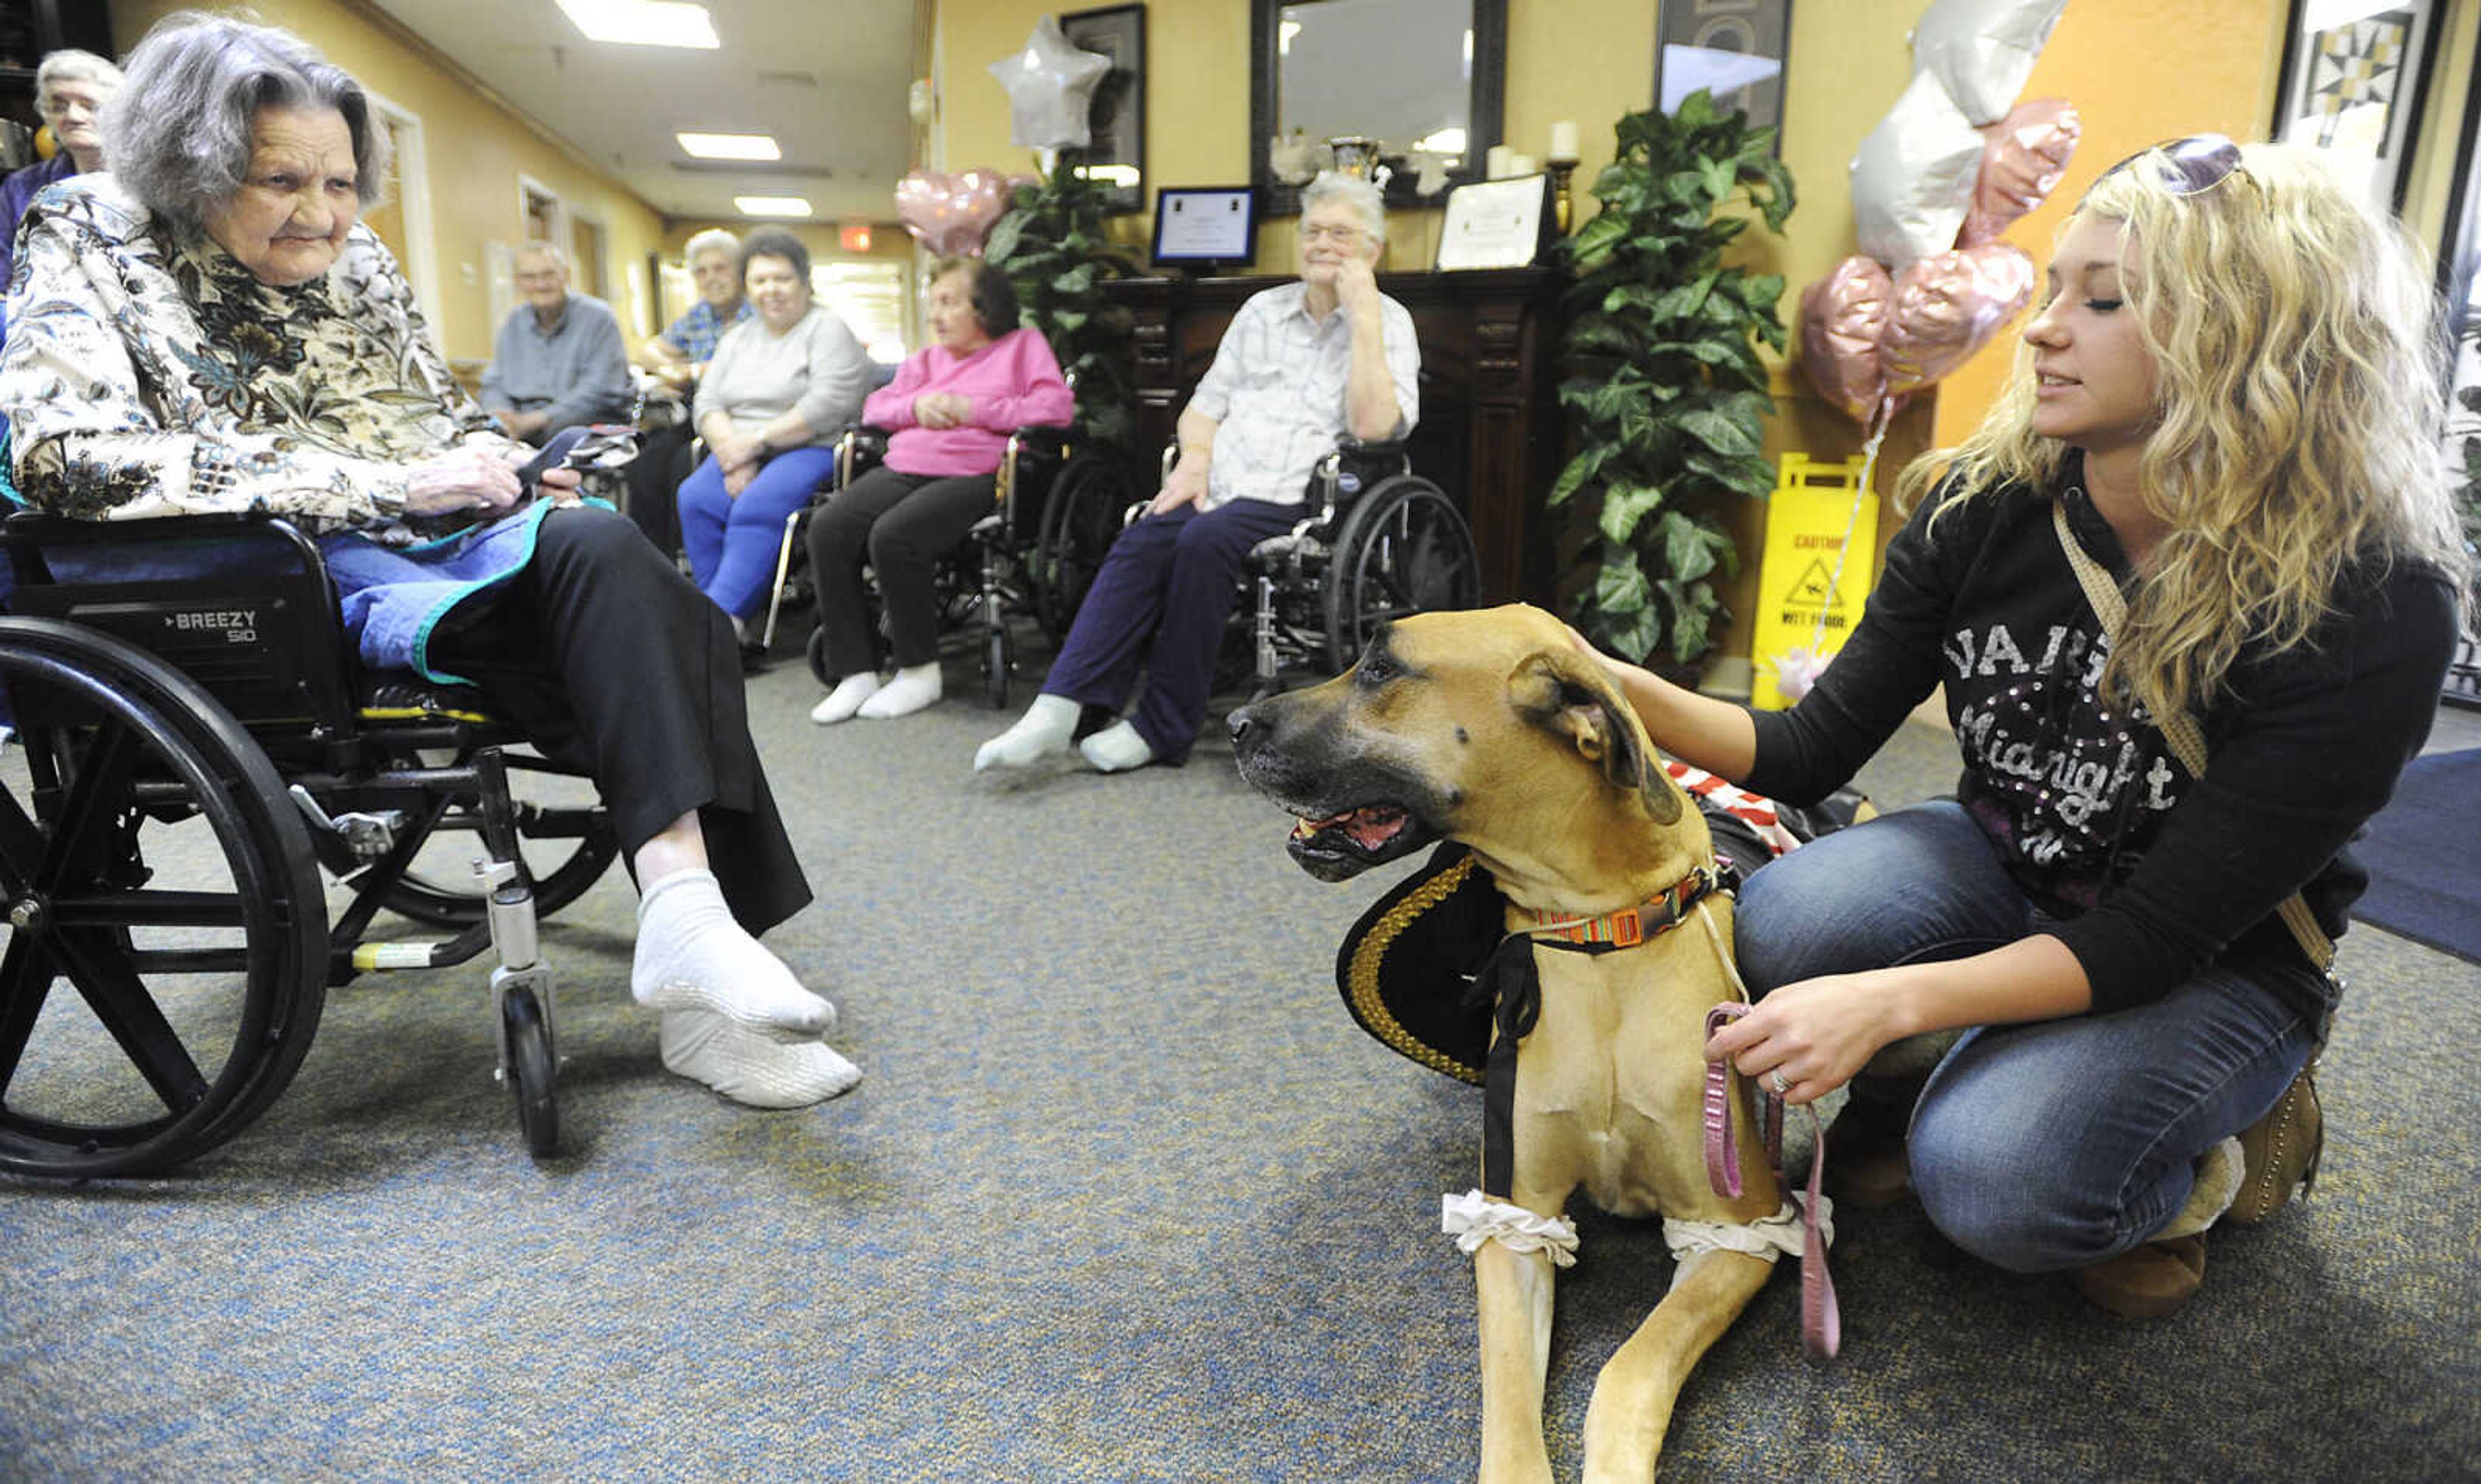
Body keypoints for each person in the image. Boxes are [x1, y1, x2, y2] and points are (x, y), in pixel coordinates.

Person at [1586, 138, 2467, 1318]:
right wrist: (1597, 673)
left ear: (2246, 336)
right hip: (2011, 860)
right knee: (1788, 919)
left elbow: (2155, 935)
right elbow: (1811, 752)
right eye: (2055, 289)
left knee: (2001, 1181)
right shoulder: (1985, 501)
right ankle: (1954, 1069)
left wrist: (1889, 1004)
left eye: (2102, 301)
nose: (2043, 329)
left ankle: (2209, 1159)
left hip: (2215, 958)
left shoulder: (2373, 598)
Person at [1, 13, 861, 1109]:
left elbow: (427, 416)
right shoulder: (86, 230)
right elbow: (65, 454)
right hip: (254, 571)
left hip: (426, 541)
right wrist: (383, 487)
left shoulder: (351, 253)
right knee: (644, 638)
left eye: (342, 182)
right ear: (192, 162)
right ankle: (696, 976)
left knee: (611, 548)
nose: (323, 216)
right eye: (281, 182)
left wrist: (501, 460)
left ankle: (687, 926)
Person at [975, 172, 1418, 773]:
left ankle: (1163, 725)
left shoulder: (1389, 322)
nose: (1322, 243)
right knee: (1144, 533)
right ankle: (1061, 708)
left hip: (1308, 497)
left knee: (1202, 541)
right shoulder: (1261, 311)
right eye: (1312, 230)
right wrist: (1196, 460)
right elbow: (1205, 407)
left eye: (1342, 233)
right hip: (1222, 483)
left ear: (1372, 250)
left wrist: (1363, 316)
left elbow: (1374, 427)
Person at [807, 256, 1072, 723]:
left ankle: (919, 673)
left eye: (949, 302)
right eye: (934, 304)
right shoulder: (927, 360)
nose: (936, 315)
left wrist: (972, 409)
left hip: (978, 473)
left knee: (895, 535)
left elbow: (1055, 408)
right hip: (907, 466)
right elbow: (876, 406)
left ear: (985, 307)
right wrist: (918, 404)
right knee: (828, 527)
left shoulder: (1022, 346)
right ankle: (857, 673)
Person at [676, 226, 871, 649]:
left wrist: (755, 444)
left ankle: (721, 621)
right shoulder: (737, 339)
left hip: (811, 445)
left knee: (757, 504)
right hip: (739, 447)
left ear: (804, 281)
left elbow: (828, 403)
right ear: (747, 286)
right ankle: (722, 618)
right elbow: (707, 403)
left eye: (782, 279)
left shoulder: (827, 328)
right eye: (760, 280)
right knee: (695, 498)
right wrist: (732, 450)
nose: (772, 290)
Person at [620, 229, 751, 555]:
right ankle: (654, 559)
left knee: (684, 466)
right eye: (702, 271)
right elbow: (648, 352)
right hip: (696, 411)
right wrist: (671, 368)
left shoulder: (757, 309)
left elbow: (743, 363)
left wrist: (692, 370)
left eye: (720, 268)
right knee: (644, 464)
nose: (711, 279)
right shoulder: (699, 315)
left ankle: (691, 558)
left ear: (740, 271)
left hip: (744, 417)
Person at [0, 49, 123, 341]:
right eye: (58, 106)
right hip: (37, 320)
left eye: (89, 106)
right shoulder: (20, 188)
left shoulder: (149, 183)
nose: (72, 116)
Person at [477, 238, 633, 446]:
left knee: (560, 435)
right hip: (523, 419)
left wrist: (535, 420)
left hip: (583, 417)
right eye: (529, 277)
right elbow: (493, 384)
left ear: (566, 275)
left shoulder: (598, 317)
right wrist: (501, 415)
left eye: (548, 274)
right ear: (518, 282)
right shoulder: (513, 322)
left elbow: (600, 389)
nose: (540, 285)